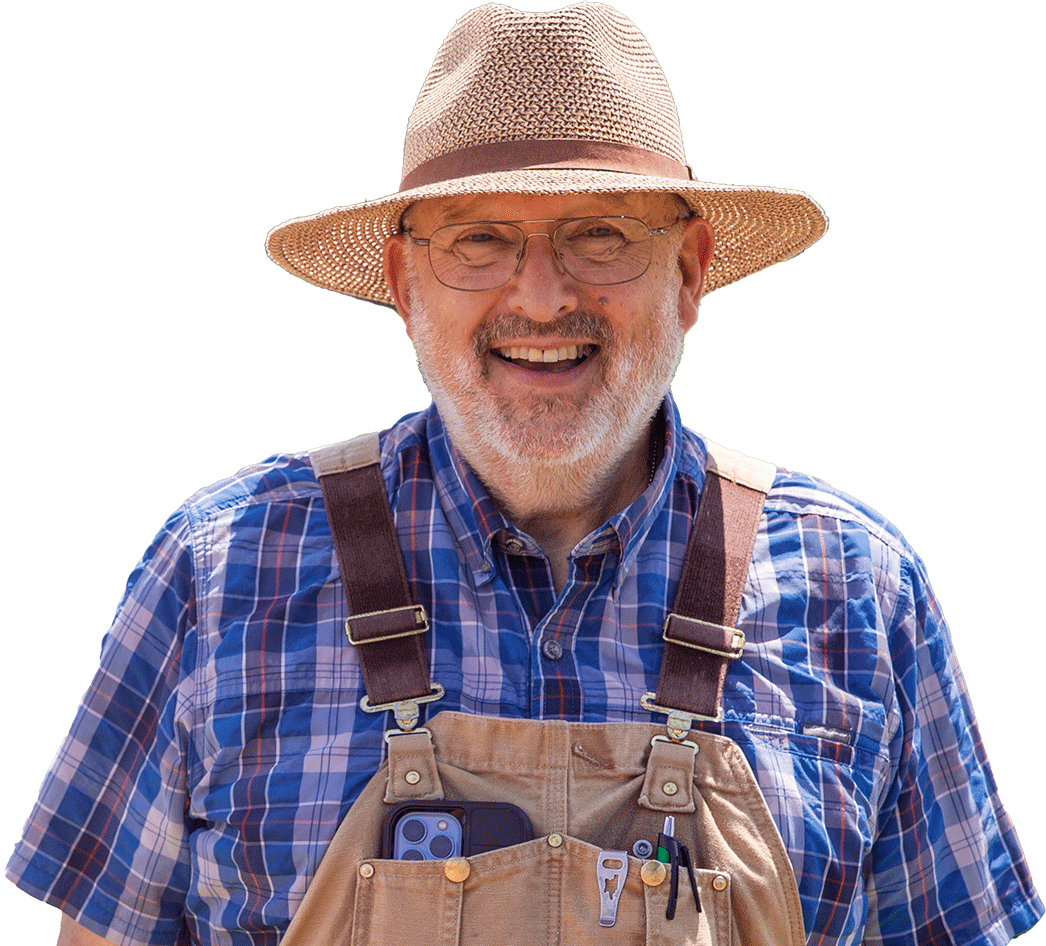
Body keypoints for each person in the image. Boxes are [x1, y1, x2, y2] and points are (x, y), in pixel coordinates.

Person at [7, 3, 1042, 945]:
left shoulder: (856, 588)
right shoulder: (220, 571)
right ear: (402, 282)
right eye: (479, 240)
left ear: (687, 273)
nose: (540, 297)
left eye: (600, 235)